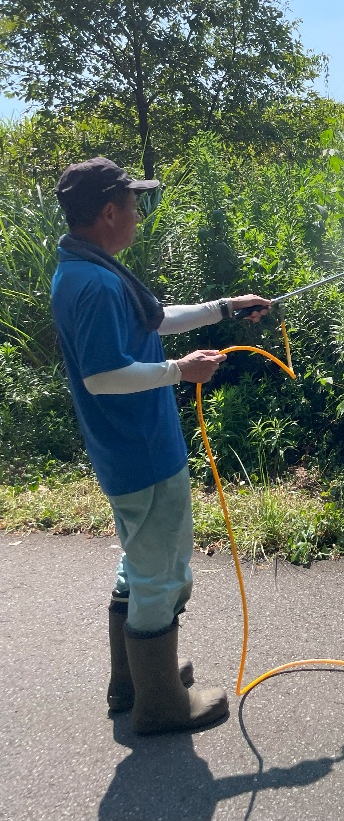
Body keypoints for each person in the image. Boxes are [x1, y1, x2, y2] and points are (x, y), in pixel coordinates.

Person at [50, 157, 272, 735]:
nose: (137, 218)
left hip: (130, 450)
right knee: (162, 574)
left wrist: (223, 308)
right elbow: (103, 375)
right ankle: (161, 705)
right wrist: (182, 371)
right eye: (132, 206)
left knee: (139, 566)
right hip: (141, 453)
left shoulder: (87, 269)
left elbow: (151, 322)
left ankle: (135, 683)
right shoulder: (94, 284)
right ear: (107, 213)